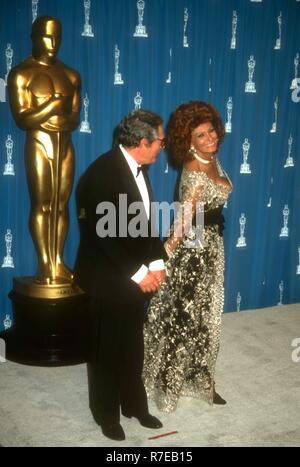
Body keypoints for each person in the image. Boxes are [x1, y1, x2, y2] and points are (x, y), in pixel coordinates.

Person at [74, 109, 168, 441]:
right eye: (160, 141)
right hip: (105, 277)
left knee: (131, 345)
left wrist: (157, 263)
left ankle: (134, 405)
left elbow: (143, 226)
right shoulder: (101, 175)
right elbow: (105, 237)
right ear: (143, 143)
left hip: (132, 274)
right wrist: (139, 273)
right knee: (105, 350)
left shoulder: (140, 169)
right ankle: (106, 414)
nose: (162, 147)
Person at [143, 101, 233, 412]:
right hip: (194, 254)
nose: (211, 139)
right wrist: (163, 258)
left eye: (211, 132)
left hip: (210, 247)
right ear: (188, 141)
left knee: (204, 319)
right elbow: (183, 222)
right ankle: (168, 383)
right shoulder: (196, 171)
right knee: (185, 321)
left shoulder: (211, 158)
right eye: (201, 136)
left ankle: (198, 377)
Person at [7, 16, 81, 284]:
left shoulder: (71, 75)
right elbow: (22, 119)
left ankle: (58, 262)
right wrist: (51, 106)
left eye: (58, 37)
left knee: (61, 205)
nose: (53, 43)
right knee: (42, 205)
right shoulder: (21, 74)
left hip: (65, 145)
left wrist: (54, 113)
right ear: (35, 36)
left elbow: (74, 118)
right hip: (38, 143)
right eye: (48, 37)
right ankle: (44, 264)